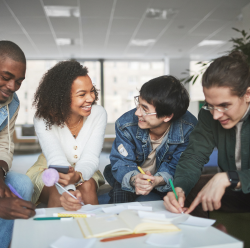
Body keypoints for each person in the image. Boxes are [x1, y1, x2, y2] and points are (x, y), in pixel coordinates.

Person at [164, 51, 250, 218]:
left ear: (247, 94)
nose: (216, 115)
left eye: (224, 105)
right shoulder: (207, 116)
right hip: (235, 191)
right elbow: (194, 156)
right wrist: (179, 189)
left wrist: (229, 178)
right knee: (190, 190)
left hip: (237, 183)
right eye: (210, 105)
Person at [103, 75, 197, 203]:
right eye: (139, 104)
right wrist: (136, 179)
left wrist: (157, 180)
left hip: (165, 178)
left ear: (167, 116)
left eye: (145, 109)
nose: (137, 113)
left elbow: (178, 167)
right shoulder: (125, 124)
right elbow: (122, 162)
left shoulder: (188, 128)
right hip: (133, 173)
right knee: (120, 194)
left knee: (176, 199)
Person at [26, 61, 107, 210]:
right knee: (58, 194)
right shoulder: (43, 118)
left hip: (85, 168)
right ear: (61, 97)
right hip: (49, 170)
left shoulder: (98, 114)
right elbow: (55, 157)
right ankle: (59, 233)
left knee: (87, 186)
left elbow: (90, 157)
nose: (90, 98)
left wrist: (78, 176)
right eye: (82, 94)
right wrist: (69, 190)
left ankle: (95, 230)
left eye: (92, 91)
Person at [0, 41, 35, 248]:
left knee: (21, 185)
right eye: (5, 77)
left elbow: (5, 143)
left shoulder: (12, 103)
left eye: (19, 81)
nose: (12, 87)